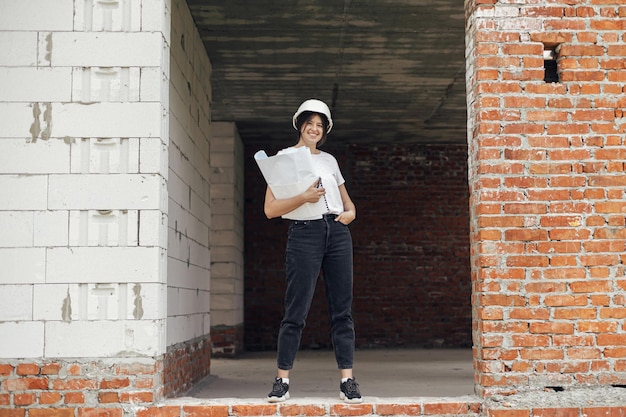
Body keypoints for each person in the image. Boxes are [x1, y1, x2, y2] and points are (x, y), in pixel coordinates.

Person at [263, 99, 362, 403]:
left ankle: (347, 380)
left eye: (320, 125)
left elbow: (349, 203)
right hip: (304, 233)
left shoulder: (330, 161)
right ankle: (282, 380)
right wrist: (303, 197)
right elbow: (270, 209)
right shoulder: (284, 158)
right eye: (310, 123)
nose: (315, 129)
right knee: (296, 311)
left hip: (337, 233)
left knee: (342, 311)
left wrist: (349, 214)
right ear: (300, 124)